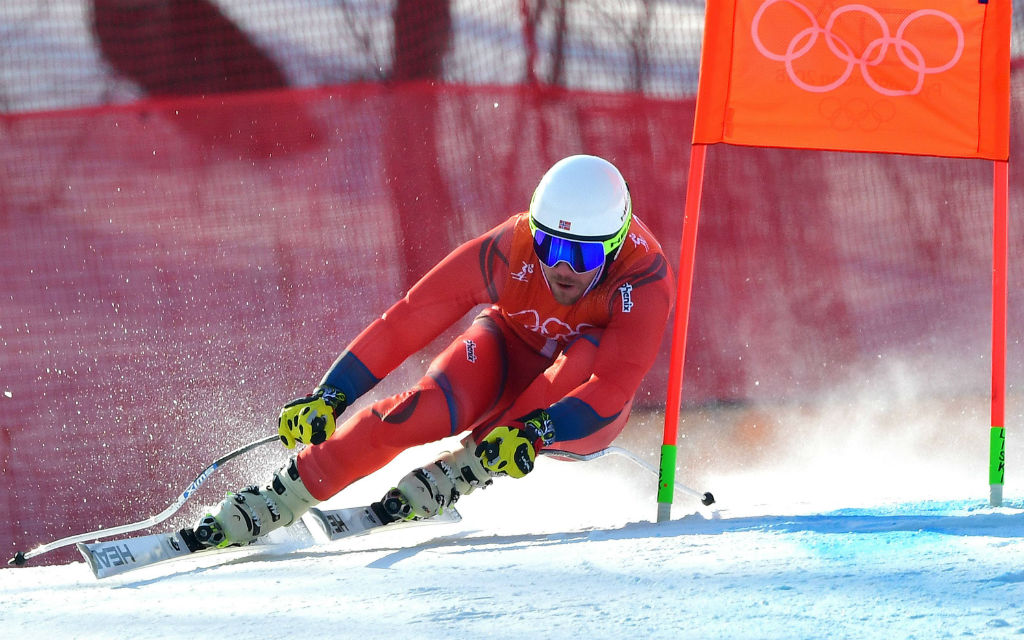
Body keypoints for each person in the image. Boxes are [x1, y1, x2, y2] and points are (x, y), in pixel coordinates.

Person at [193, 154, 675, 548]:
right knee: (416, 413)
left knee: (588, 352)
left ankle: (469, 466)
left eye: (584, 255)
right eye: (549, 245)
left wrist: (538, 430)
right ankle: (283, 494)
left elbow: (614, 385)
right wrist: (331, 395)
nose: (562, 267)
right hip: (511, 348)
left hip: (584, 411)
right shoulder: (510, 246)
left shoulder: (644, 277)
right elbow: (409, 319)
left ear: (613, 247)